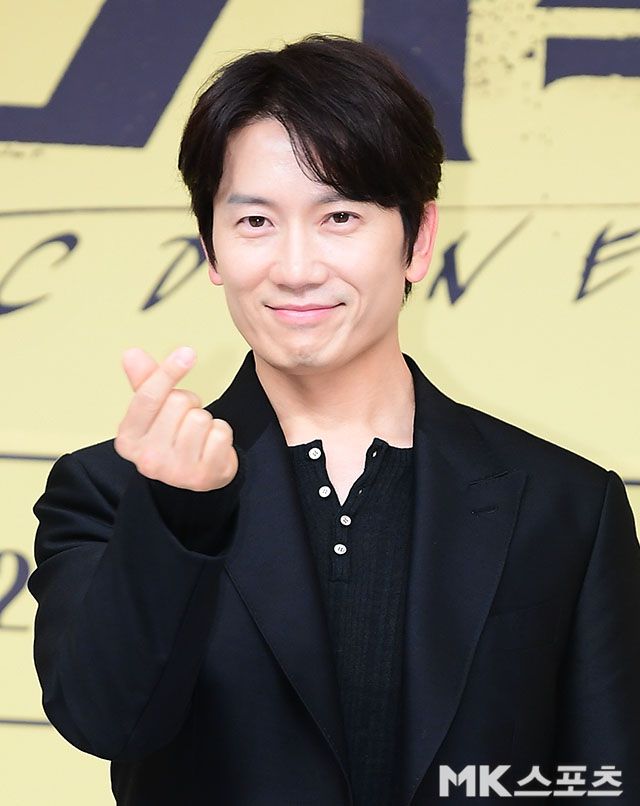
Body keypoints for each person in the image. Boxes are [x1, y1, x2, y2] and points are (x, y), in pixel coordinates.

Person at [28, 34, 639, 806]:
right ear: (210, 248)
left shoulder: (565, 506)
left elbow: (607, 778)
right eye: (255, 222)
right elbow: (106, 721)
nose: (295, 268)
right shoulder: (112, 491)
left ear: (418, 239)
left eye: (340, 216)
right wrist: (178, 515)